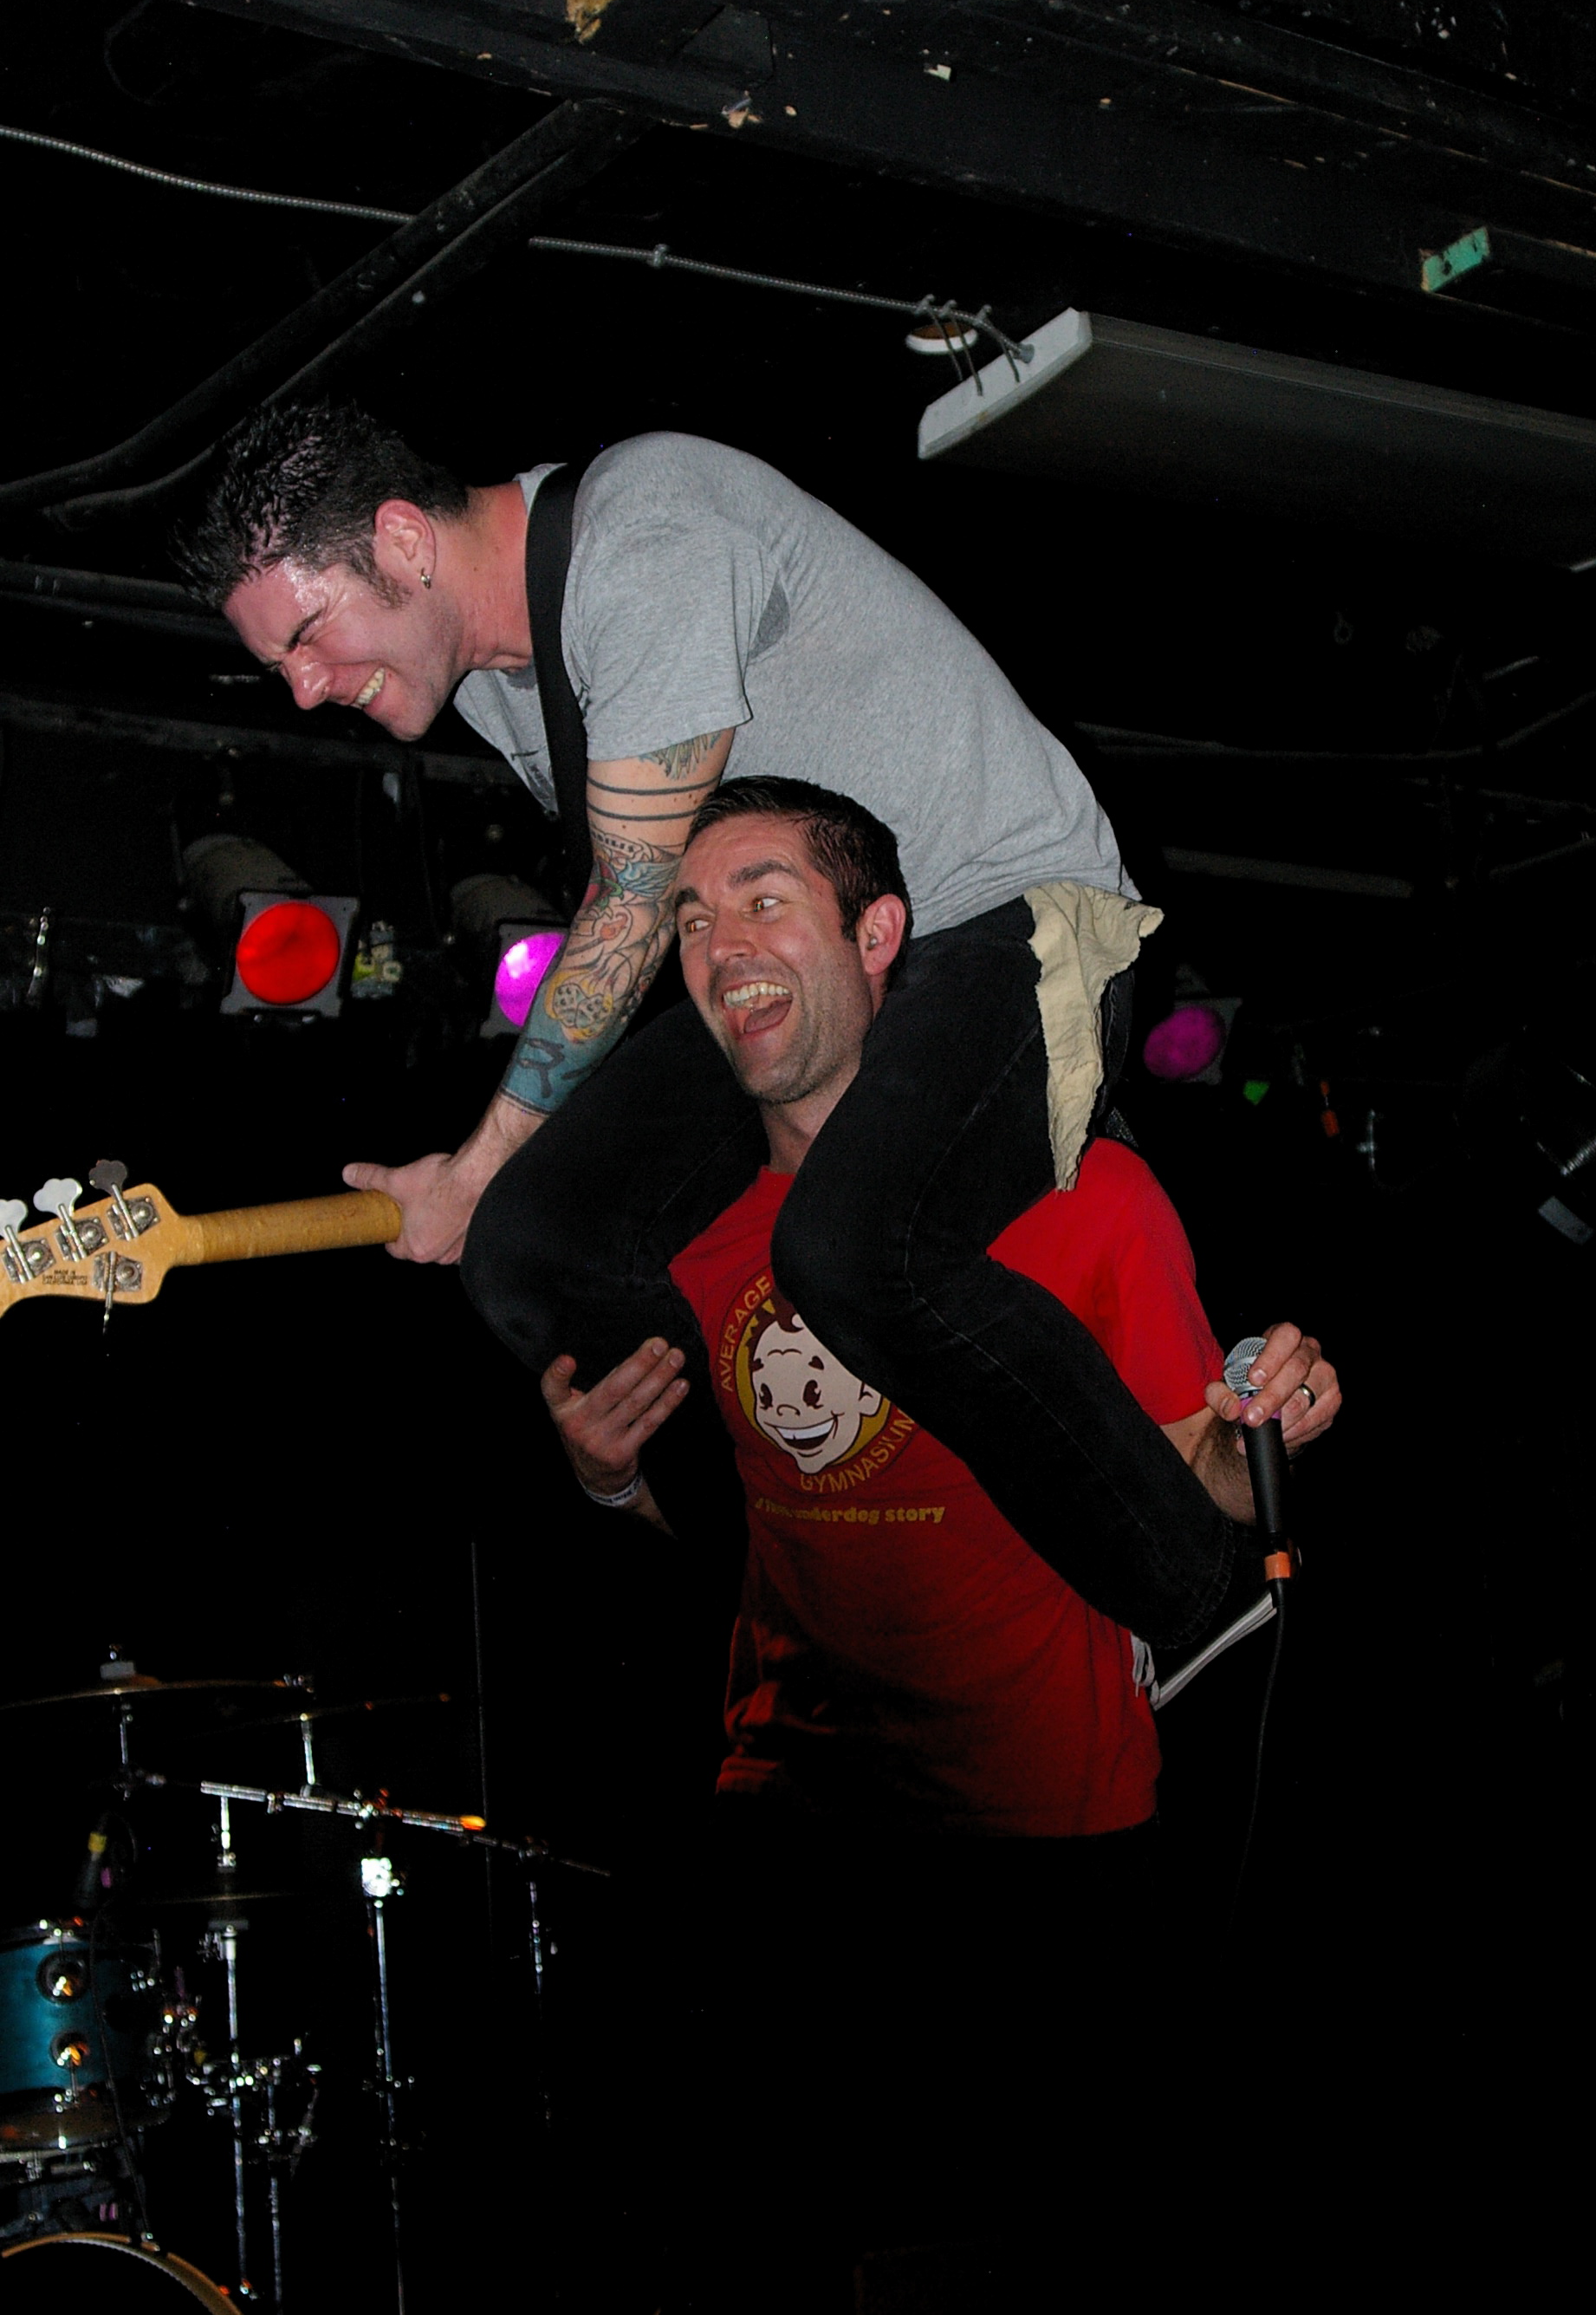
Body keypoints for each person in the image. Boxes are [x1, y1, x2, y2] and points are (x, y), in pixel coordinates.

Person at [184, 401, 1233, 1631]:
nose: (306, 690)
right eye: (279, 668)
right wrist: (492, 1185)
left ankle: (1195, 1589)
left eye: (308, 635)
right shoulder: (502, 693)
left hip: (997, 920)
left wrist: (472, 1161)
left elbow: (628, 907)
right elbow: (651, 913)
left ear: (405, 543)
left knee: (850, 1249)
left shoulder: (648, 528)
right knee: (532, 1244)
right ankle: (804, 1594)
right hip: (803, 956)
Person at [541, 776, 1340, 1838]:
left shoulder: (1089, 1196)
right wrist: (612, 1477)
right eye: (691, 921)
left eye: (763, 900)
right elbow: (747, 1520)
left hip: (1038, 1818)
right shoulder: (688, 1241)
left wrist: (1260, 1433)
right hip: (783, 1795)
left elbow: (1202, 1482)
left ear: (875, 935)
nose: (721, 945)